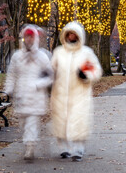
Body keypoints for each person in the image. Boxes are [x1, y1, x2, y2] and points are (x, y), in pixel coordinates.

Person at [50, 21, 102, 162]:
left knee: (79, 120)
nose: (71, 36)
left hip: (80, 93)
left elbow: (96, 70)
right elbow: (52, 70)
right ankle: (64, 147)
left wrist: (86, 75)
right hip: (60, 93)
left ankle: (78, 148)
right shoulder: (59, 52)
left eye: (74, 34)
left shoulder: (86, 53)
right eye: (69, 33)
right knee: (61, 121)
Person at [4, 25, 53, 161]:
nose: (29, 39)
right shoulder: (17, 56)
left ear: (35, 38)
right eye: (27, 36)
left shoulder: (42, 57)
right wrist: (8, 89)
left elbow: (50, 76)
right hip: (21, 96)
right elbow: (11, 74)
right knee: (24, 124)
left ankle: (30, 146)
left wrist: (38, 85)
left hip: (36, 97)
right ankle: (28, 142)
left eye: (32, 36)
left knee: (31, 123)